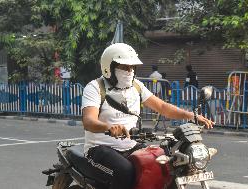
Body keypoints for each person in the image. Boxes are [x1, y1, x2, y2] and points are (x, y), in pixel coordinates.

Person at [82, 43, 214, 189]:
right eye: (125, 67)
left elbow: (162, 107)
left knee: (165, 165)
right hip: (100, 148)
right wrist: (110, 127)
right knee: (125, 171)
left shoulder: (136, 87)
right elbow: (89, 121)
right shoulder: (95, 87)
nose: (130, 71)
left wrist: (191, 116)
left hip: (132, 145)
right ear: (109, 67)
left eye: (132, 67)